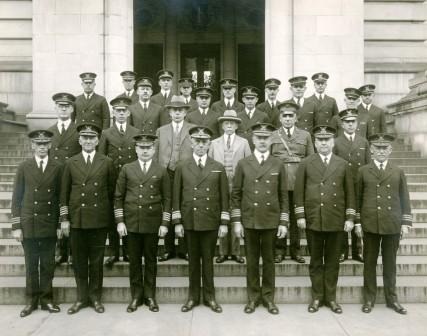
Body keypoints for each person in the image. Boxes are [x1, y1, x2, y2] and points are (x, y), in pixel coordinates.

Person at [294, 125, 355, 314]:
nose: (324, 143)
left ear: (333, 141)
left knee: (332, 261)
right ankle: (317, 297)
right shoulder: (306, 163)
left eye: (327, 140)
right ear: (315, 142)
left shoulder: (342, 164)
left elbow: (350, 193)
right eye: (320, 140)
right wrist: (300, 215)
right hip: (314, 219)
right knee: (315, 261)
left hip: (335, 220)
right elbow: (299, 192)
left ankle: (331, 298)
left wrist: (350, 217)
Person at [231, 123, 289, 315]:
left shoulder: (278, 163)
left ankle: (269, 298)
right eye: (259, 138)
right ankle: (253, 298)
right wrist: (237, 221)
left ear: (271, 140)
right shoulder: (243, 163)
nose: (262, 141)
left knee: (270, 261)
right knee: (252, 261)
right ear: (253, 140)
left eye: (266, 138)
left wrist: (283, 221)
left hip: (271, 220)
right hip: (250, 219)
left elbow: (283, 195)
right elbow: (236, 194)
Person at [60, 123, 116, 314]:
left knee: (97, 262)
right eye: (85, 138)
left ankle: (95, 297)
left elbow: (111, 191)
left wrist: (109, 219)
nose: (88, 141)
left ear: (98, 140)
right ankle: (81, 297)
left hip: (99, 220)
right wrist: (65, 218)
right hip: (77, 219)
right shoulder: (70, 162)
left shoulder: (107, 162)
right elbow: (64, 193)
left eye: (92, 138)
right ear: (79, 140)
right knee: (79, 261)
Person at [173, 126, 230, 313]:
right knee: (192, 263)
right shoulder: (182, 166)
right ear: (191, 143)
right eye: (197, 141)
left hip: (210, 221)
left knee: (208, 261)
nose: (200, 145)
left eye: (204, 142)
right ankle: (192, 297)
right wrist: (177, 221)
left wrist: (223, 222)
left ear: (209, 144)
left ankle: (210, 297)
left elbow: (224, 197)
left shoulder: (218, 167)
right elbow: (176, 195)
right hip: (190, 220)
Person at [114, 134, 171, 313]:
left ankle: (150, 296)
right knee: (134, 261)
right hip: (131, 223)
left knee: (151, 260)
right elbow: (118, 197)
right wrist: (120, 221)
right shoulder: (127, 169)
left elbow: (168, 199)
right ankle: (136, 296)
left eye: (148, 148)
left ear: (153, 150)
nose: (145, 151)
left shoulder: (161, 170)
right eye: (141, 148)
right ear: (136, 149)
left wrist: (164, 223)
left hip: (152, 223)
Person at [355, 133, 412, 315]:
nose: (381, 152)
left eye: (384, 148)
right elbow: (357, 198)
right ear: (371, 150)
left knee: (390, 263)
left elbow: (405, 198)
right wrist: (357, 222)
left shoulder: (398, 171)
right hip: (370, 223)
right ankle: (369, 299)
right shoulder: (363, 171)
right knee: (369, 263)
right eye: (377, 148)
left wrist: (406, 223)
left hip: (392, 223)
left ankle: (392, 299)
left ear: (390, 150)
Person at [11, 130, 62, 317]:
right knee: (31, 264)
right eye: (38, 144)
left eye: (45, 144)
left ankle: (47, 299)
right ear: (33, 146)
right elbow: (16, 198)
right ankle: (31, 300)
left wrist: (59, 224)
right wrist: (16, 226)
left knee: (48, 264)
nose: (41, 147)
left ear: (50, 146)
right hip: (29, 222)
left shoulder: (57, 167)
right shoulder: (24, 167)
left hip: (48, 222)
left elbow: (59, 198)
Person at [98, 97, 140, 268]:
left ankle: (129, 252)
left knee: (129, 214)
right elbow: (101, 158)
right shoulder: (106, 133)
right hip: (112, 180)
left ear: (128, 113)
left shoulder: (136, 131)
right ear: (113, 113)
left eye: (124, 111)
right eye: (117, 111)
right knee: (112, 216)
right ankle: (115, 252)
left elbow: (139, 156)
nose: (121, 114)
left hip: (131, 180)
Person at [271, 101, 314, 264]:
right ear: (280, 118)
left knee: (297, 217)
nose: (287, 119)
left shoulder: (305, 135)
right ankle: (279, 250)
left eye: (291, 116)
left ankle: (296, 251)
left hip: (298, 182)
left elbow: (310, 160)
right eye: (284, 116)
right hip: (278, 182)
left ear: (296, 118)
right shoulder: (273, 136)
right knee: (279, 216)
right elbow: (268, 160)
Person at [208, 110, 251, 264]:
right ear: (222, 125)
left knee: (236, 216)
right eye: (226, 123)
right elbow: (210, 165)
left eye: (232, 123)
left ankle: (236, 251)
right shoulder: (214, 143)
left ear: (237, 125)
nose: (229, 126)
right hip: (219, 184)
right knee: (222, 215)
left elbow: (248, 164)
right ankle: (222, 252)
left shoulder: (244, 142)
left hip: (237, 184)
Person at [156, 95, 195, 261]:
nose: (177, 113)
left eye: (181, 110)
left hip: (186, 173)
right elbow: (156, 153)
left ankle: (184, 248)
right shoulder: (161, 130)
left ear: (185, 112)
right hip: (167, 172)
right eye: (174, 110)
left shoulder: (193, 129)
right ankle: (168, 248)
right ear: (169, 112)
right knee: (168, 206)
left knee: (185, 206)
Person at [48, 92, 81, 266]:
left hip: (73, 179)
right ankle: (60, 251)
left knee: (72, 214)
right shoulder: (49, 131)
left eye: (67, 106)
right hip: (53, 179)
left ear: (72, 109)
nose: (63, 109)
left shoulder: (79, 130)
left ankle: (72, 252)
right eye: (60, 106)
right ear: (55, 108)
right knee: (56, 214)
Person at [333, 109, 370, 263]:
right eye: (347, 122)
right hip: (341, 184)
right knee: (342, 215)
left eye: (353, 121)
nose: (350, 124)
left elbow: (368, 165)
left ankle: (358, 250)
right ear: (342, 124)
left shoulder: (363, 142)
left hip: (358, 184)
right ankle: (342, 251)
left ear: (357, 123)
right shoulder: (335, 142)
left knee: (359, 215)